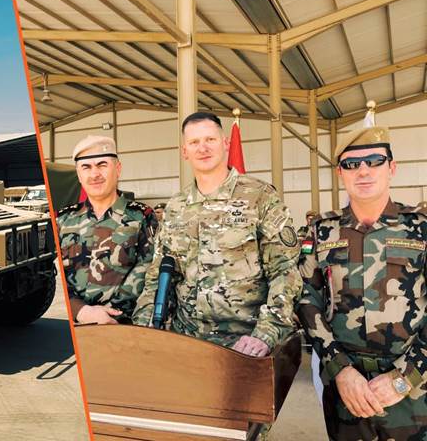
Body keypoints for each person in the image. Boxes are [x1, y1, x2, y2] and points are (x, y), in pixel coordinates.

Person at [133, 111, 302, 358]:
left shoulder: (259, 196)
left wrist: (265, 333)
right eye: (194, 142)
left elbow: (285, 271)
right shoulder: (176, 207)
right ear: (184, 151)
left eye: (210, 139)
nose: (203, 148)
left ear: (225, 143)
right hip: (186, 341)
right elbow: (159, 275)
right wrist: (143, 329)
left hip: (245, 344)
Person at [296, 125, 427, 440]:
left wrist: (405, 377)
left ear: (392, 168)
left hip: (415, 394)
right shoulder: (321, 232)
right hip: (346, 392)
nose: (363, 171)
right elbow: (306, 299)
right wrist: (340, 370)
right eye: (352, 164)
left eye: (374, 161)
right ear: (340, 173)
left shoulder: (421, 229)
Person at [57, 135, 157, 325]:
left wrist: (111, 315)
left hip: (122, 326)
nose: (95, 174)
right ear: (78, 174)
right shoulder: (62, 220)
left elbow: (149, 273)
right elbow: (52, 276)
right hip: (74, 324)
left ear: (117, 169)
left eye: (102, 165)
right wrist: (81, 310)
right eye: (86, 167)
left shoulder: (141, 217)